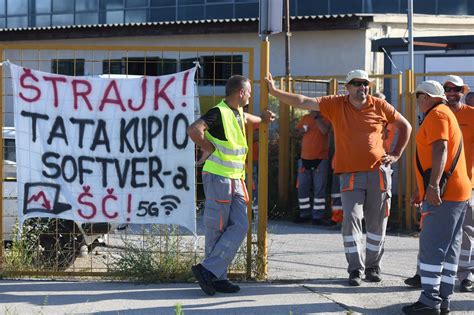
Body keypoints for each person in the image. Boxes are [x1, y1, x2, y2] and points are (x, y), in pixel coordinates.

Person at [265, 69, 412, 286]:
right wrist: (275, 91)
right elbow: (304, 101)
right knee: (350, 219)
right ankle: (355, 269)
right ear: (348, 87)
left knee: (377, 222)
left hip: (377, 173)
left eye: (365, 84)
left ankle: (373, 267)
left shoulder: (379, 105)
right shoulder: (335, 103)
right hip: (350, 174)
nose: (362, 87)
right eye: (357, 84)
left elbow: (405, 126)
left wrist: (397, 154)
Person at [187, 75, 274, 296]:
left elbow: (245, 119)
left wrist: (262, 119)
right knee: (217, 228)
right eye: (249, 92)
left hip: (235, 179)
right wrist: (209, 147)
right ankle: (216, 276)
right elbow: (193, 130)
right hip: (219, 178)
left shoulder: (236, 112)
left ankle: (209, 271)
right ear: (241, 92)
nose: (251, 95)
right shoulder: (219, 112)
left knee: (240, 226)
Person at [402, 81, 470, 315]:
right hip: (457, 191)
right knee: (450, 247)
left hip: (444, 193)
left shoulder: (437, 115)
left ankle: (429, 301)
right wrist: (422, 187)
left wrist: (432, 186)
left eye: (418, 97)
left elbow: (440, 149)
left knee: (432, 245)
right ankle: (443, 299)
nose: (417, 102)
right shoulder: (445, 113)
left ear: (425, 98)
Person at [294, 110, 331, 225]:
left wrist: (317, 118)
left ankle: (317, 216)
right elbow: (296, 134)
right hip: (304, 158)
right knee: (302, 188)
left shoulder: (326, 118)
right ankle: (304, 214)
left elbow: (325, 131)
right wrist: (302, 131)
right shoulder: (305, 118)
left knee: (319, 188)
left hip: (320, 158)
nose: (311, 110)